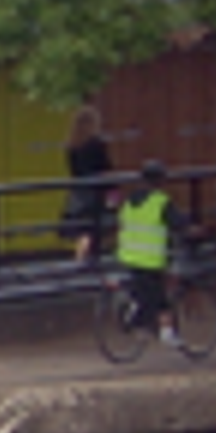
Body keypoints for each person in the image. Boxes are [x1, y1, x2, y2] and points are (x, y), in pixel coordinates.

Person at [113, 158, 182, 341]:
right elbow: (178, 222)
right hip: (150, 258)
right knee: (159, 297)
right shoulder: (160, 202)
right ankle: (166, 332)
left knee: (149, 291)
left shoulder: (129, 202)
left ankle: (144, 315)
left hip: (128, 255)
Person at [62, 104, 114, 263]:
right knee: (96, 229)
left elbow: (74, 171)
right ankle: (92, 260)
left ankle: (80, 259)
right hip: (96, 192)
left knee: (83, 230)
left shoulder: (72, 146)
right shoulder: (97, 144)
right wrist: (113, 193)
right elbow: (106, 167)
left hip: (79, 192)